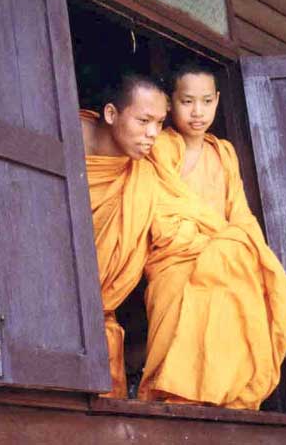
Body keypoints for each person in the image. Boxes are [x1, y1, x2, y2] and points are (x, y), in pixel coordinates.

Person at [138, 64, 286, 409]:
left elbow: (240, 214)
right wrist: (214, 245)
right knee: (184, 296)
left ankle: (226, 398)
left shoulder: (224, 152)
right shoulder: (162, 146)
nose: (198, 112)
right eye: (187, 101)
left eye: (207, 101)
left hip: (224, 255)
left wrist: (238, 247)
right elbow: (161, 211)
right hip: (176, 257)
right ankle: (177, 395)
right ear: (170, 103)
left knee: (247, 285)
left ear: (218, 101)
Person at [80, 73, 167, 398]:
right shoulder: (61, 141)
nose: (153, 134)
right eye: (144, 120)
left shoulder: (144, 175)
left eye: (160, 123)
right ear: (111, 114)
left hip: (101, 321)